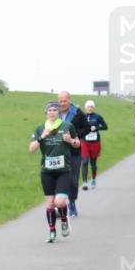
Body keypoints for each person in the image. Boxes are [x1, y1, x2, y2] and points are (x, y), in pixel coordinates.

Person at [30, 101, 79, 242]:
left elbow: (78, 144)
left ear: (59, 112)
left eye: (54, 110)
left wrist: (70, 140)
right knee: (50, 203)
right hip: (47, 171)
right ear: (46, 113)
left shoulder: (67, 126)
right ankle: (52, 232)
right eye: (49, 110)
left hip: (64, 170)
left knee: (59, 202)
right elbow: (31, 149)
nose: (52, 112)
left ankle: (63, 218)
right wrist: (41, 138)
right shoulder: (40, 129)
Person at [57, 91, 88, 217]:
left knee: (73, 180)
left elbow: (86, 128)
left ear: (69, 100)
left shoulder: (78, 113)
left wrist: (74, 136)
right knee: (58, 179)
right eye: (60, 101)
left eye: (64, 101)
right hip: (58, 151)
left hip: (74, 151)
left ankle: (72, 203)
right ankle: (59, 206)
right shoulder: (54, 113)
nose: (62, 103)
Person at [79, 100, 108, 190]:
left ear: (93, 107)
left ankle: (94, 179)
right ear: (85, 108)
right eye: (88, 107)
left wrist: (97, 127)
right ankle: (84, 182)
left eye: (91, 106)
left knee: (93, 163)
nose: (90, 108)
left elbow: (105, 127)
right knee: (84, 162)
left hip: (95, 142)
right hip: (84, 142)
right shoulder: (82, 117)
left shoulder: (97, 117)